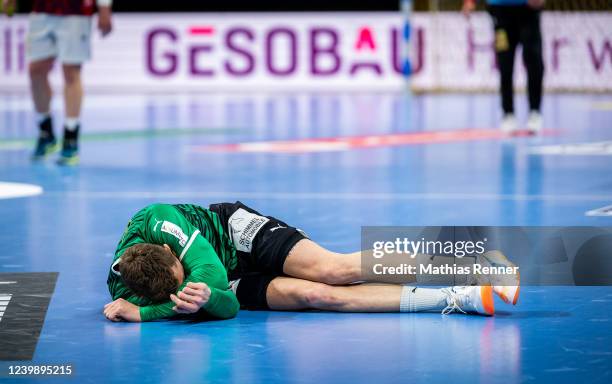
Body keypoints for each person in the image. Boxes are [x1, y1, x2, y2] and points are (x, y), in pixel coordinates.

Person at [104, 202, 520, 322]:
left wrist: (144, 316)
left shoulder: (162, 222)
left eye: (182, 274)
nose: (186, 282)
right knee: (318, 295)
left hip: (233, 234)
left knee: (331, 269)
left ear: (172, 253)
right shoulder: (127, 288)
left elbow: (208, 273)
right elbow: (227, 305)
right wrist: (196, 302)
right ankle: (460, 297)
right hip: (232, 278)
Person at [2, 0, 113, 165]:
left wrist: (104, 8)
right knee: (35, 71)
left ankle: (71, 136)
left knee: (71, 72)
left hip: (76, 11)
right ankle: (46, 133)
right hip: (42, 10)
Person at [463, 0, 545, 134]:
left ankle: (535, 111)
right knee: (505, 64)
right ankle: (508, 113)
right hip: (500, 11)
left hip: (528, 10)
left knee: (534, 60)